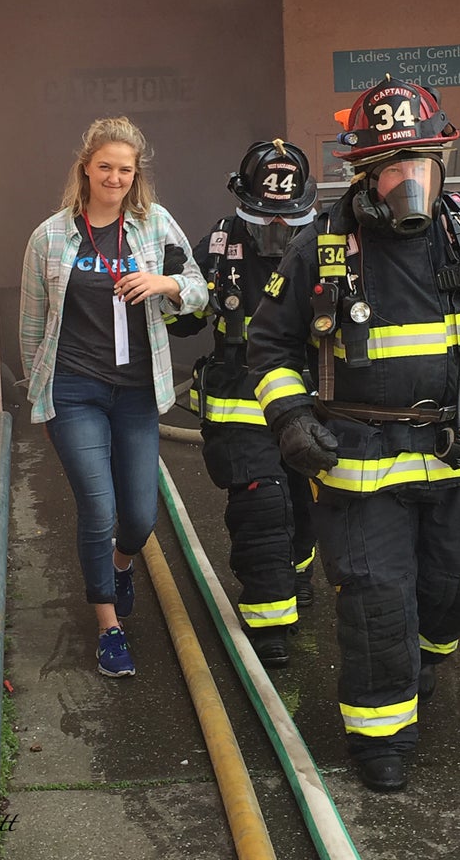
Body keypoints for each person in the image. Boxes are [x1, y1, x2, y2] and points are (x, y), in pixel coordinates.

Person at [247, 76, 460, 792]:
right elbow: (271, 348)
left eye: (422, 166)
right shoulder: (322, 249)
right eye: (395, 169)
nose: (412, 183)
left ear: (441, 166)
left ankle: (425, 655)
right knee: (376, 601)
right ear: (364, 174)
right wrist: (291, 419)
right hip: (364, 463)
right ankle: (379, 740)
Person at [19, 115, 208, 678]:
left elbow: (199, 290)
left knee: (138, 517)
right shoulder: (50, 237)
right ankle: (109, 627)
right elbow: (32, 323)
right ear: (86, 167)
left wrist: (164, 284)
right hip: (74, 390)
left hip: (135, 392)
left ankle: (120, 566)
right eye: (106, 166)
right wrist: (41, 391)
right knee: (98, 510)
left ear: (135, 174)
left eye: (125, 169)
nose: (116, 177)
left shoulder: (155, 226)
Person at [167, 139, 319, 667]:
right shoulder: (217, 243)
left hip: (306, 407)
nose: (276, 235)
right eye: (264, 223)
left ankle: (297, 578)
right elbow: (184, 322)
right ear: (242, 205)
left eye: (288, 224)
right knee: (261, 508)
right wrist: (172, 286)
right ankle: (270, 620)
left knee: (304, 506)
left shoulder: (327, 247)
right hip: (238, 406)